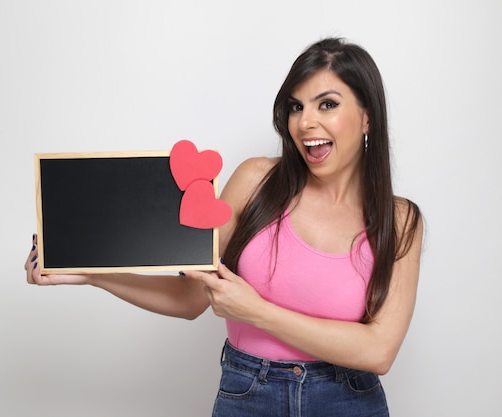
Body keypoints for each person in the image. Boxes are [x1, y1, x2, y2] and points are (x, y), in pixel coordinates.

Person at [25, 37, 423, 417]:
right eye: (296, 107)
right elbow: (189, 298)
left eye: (327, 104)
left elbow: (378, 351)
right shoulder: (255, 182)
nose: (305, 123)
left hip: (348, 402)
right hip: (250, 395)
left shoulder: (400, 220)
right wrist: (91, 272)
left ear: (367, 115)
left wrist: (257, 312)